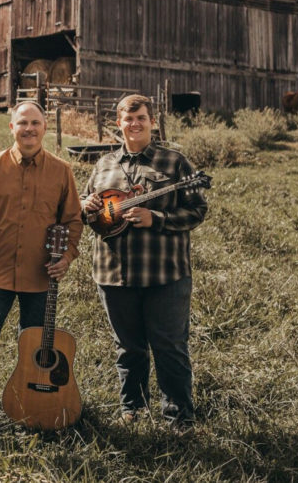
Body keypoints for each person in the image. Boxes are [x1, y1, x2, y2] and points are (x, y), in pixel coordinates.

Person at [0, 101, 83, 428]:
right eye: (22, 123)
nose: (29, 129)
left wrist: (66, 257)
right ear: (12, 127)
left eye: (35, 123)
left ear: (45, 128)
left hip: (41, 280)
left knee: (35, 352)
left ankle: (32, 413)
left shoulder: (61, 171)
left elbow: (73, 221)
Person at [81, 94, 207, 431]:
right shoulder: (104, 164)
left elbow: (198, 211)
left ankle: (179, 417)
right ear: (118, 123)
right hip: (113, 272)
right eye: (128, 119)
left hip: (164, 273)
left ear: (152, 120)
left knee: (169, 346)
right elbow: (84, 207)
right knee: (128, 347)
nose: (134, 124)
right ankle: (133, 410)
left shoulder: (175, 162)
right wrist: (88, 205)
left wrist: (158, 218)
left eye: (141, 118)